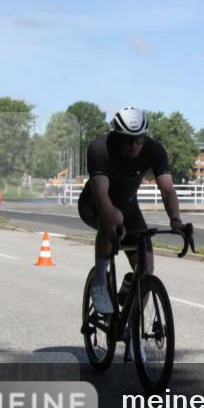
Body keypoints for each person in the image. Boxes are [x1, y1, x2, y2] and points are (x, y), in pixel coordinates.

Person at [78, 107, 185, 314]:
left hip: (128, 206)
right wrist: (113, 220)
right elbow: (101, 193)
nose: (134, 145)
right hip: (94, 204)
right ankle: (100, 281)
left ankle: (130, 327)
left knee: (146, 270)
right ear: (116, 135)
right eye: (127, 140)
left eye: (139, 139)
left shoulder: (154, 150)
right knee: (112, 219)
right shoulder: (99, 148)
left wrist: (176, 220)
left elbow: (167, 190)